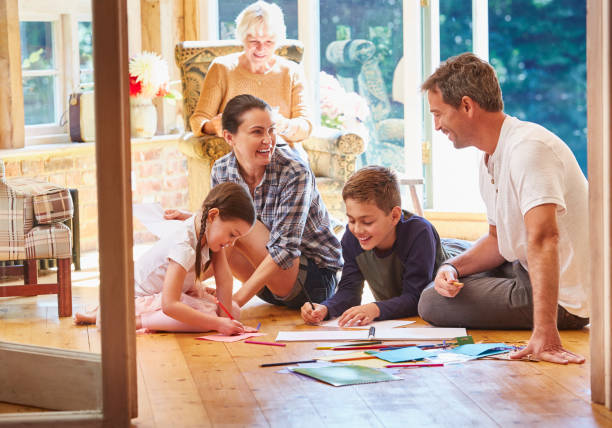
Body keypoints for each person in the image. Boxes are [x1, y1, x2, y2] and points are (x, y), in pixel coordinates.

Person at [417, 53, 589, 365]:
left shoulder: (528, 149)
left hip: (565, 298)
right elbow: (497, 240)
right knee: (447, 261)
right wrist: (452, 268)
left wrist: (545, 331)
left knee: (431, 301)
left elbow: (544, 238)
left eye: (438, 114)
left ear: (467, 106)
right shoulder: (491, 154)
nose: (437, 125)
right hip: (523, 267)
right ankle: (453, 268)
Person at [168, 94, 342, 309]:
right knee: (218, 232)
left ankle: (193, 291)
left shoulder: (295, 172)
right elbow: (216, 230)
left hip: (313, 283)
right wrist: (190, 220)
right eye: (257, 132)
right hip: (266, 284)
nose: (268, 139)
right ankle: (178, 288)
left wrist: (235, 303)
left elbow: (285, 250)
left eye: (271, 130)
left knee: (235, 224)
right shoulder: (222, 169)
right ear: (229, 138)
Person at [75, 182, 257, 334]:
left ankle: (102, 312)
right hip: (139, 298)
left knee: (232, 311)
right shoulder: (184, 245)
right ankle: (134, 320)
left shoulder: (208, 230)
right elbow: (170, 304)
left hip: (168, 293)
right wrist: (218, 324)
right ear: (213, 216)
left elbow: (224, 280)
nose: (232, 243)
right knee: (207, 314)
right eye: (232, 235)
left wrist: (226, 321)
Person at [301, 166, 464, 326]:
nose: (357, 229)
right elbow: (349, 291)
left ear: (394, 216)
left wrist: (375, 308)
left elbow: (416, 296)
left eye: (367, 222)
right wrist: (325, 308)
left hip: (458, 257)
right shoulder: (352, 237)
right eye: (351, 220)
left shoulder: (419, 233)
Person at [189, 0, 311, 153]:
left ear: (278, 41)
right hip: (240, 159)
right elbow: (197, 121)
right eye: (253, 41)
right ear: (242, 38)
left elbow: (305, 126)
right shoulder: (222, 68)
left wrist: (284, 125)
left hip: (284, 158)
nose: (261, 48)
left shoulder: (291, 72)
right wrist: (213, 126)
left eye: (269, 42)